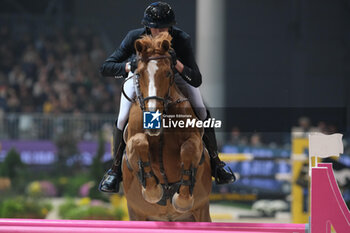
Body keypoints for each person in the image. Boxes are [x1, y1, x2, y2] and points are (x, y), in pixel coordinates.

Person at [99, 1, 235, 193]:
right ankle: (114, 171)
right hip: (143, 78)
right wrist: (131, 65)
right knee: (122, 117)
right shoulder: (134, 36)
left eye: (164, 27)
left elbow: (196, 78)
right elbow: (106, 67)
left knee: (201, 109)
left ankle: (216, 163)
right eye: (155, 28)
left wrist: (176, 63)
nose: (160, 31)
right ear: (148, 26)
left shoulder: (181, 38)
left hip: (173, 77)